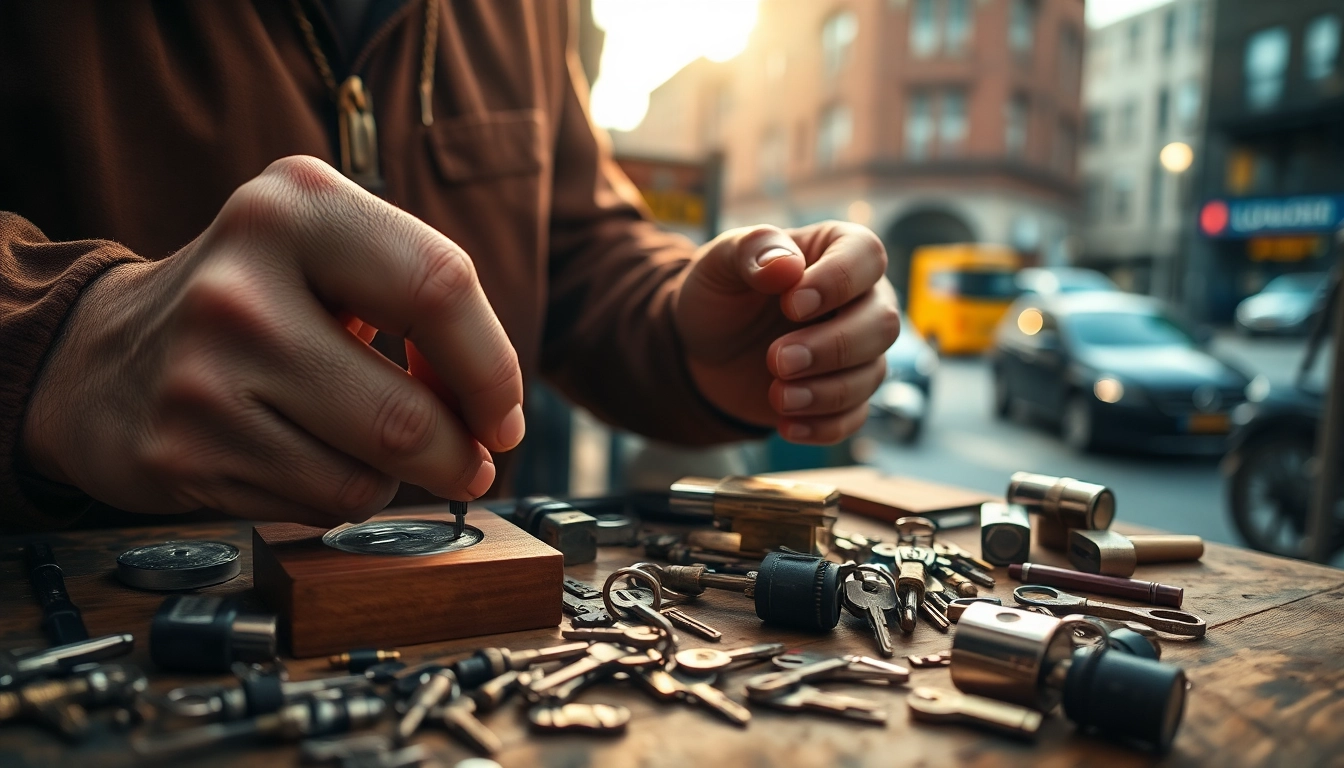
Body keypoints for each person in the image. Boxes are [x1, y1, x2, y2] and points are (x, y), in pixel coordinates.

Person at [0, 1, 899, 532]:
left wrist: (679, 332)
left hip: (464, 615)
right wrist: (61, 334)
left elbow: (573, 236)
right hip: (90, 614)